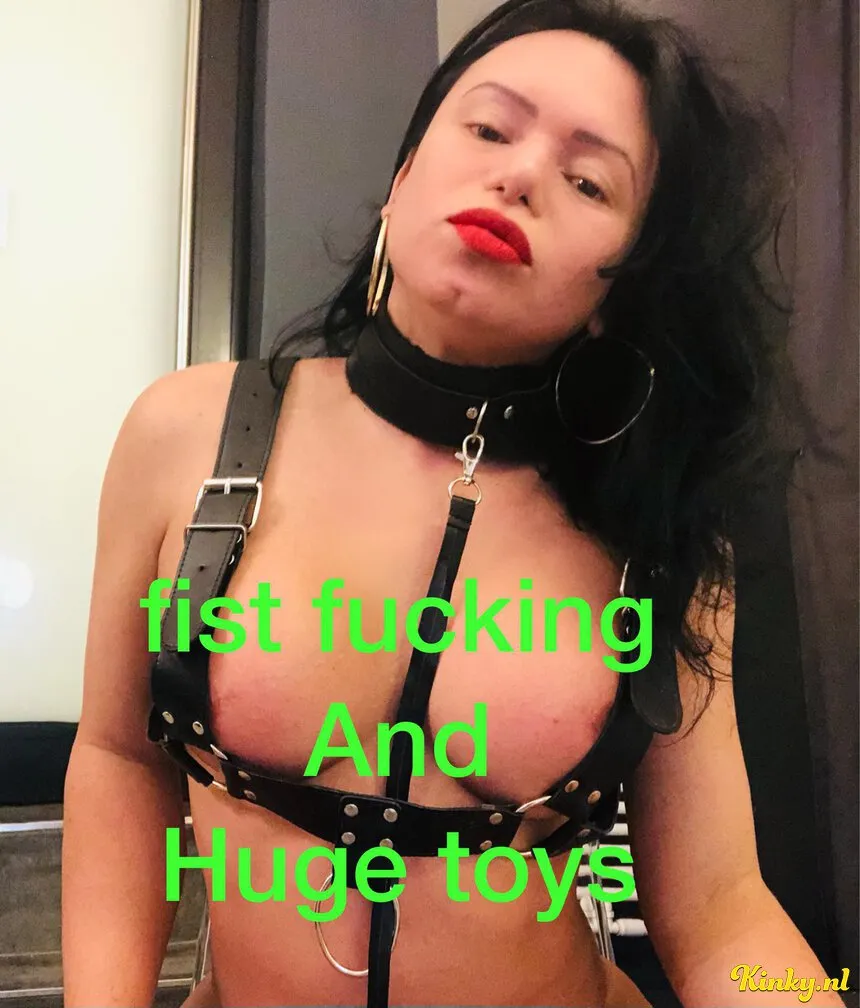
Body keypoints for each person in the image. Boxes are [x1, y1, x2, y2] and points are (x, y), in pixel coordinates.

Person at [61, 1, 847, 1006]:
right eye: (487, 127)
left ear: (619, 283)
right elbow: (120, 760)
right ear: (400, 180)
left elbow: (720, 907)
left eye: (588, 181)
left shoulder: (658, 527)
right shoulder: (188, 432)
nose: (520, 176)